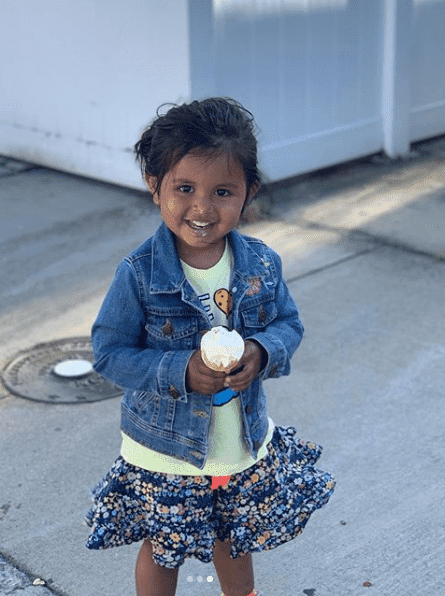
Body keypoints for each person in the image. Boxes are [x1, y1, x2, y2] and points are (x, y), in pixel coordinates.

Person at [85, 97, 335, 596]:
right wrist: (180, 371)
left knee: (232, 538)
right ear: (155, 188)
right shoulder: (139, 274)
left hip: (236, 441)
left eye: (223, 191)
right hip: (166, 450)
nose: (202, 208)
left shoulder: (260, 264)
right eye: (184, 188)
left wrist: (262, 353)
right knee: (165, 545)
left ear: (249, 193)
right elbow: (109, 352)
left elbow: (289, 323)